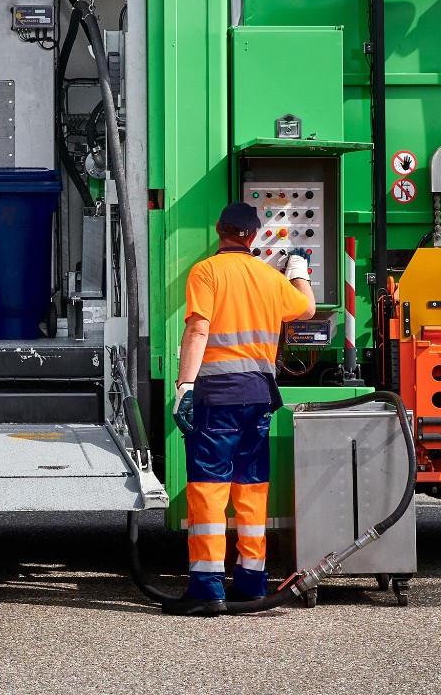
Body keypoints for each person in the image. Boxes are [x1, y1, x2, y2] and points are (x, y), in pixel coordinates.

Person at [164, 200, 315, 616]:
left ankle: (207, 587)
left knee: (210, 489)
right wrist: (299, 273)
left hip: (217, 396)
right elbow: (308, 309)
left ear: (219, 229)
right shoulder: (269, 276)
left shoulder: (207, 272)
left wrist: (184, 387)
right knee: (252, 488)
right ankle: (252, 581)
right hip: (260, 395)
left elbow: (198, 329)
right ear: (253, 236)